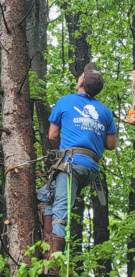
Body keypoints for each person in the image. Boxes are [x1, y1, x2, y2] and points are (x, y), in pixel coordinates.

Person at [37, 62, 116, 275]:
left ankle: (52, 268)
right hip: (89, 169)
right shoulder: (106, 111)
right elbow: (110, 145)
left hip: (71, 165)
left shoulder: (66, 101)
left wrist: (61, 151)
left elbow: (53, 136)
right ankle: (48, 245)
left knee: (61, 212)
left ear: (80, 81)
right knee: (44, 195)